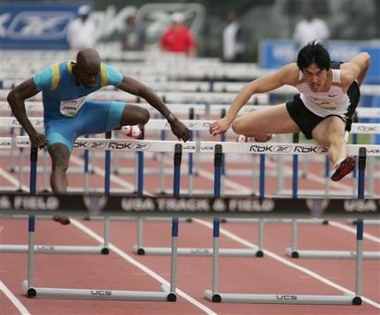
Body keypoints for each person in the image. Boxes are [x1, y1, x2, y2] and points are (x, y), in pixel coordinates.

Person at [7, 48, 191, 224]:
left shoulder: (102, 73)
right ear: (75, 68)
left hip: (87, 114)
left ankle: (119, 126)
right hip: (59, 123)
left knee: (142, 115)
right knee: (59, 159)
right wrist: (32, 133)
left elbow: (142, 90)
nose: (92, 79)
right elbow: (14, 96)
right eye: (87, 74)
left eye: (95, 74)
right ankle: (61, 206)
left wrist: (172, 119)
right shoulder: (53, 74)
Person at [209, 42, 370, 182]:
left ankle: (340, 164)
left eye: (319, 74)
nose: (314, 80)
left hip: (333, 116)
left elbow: (365, 57)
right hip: (305, 108)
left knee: (336, 136)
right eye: (309, 74)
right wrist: (227, 119)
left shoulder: (345, 75)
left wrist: (357, 86)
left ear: (327, 70)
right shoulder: (293, 73)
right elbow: (252, 87)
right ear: (301, 70)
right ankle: (264, 135)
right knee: (239, 126)